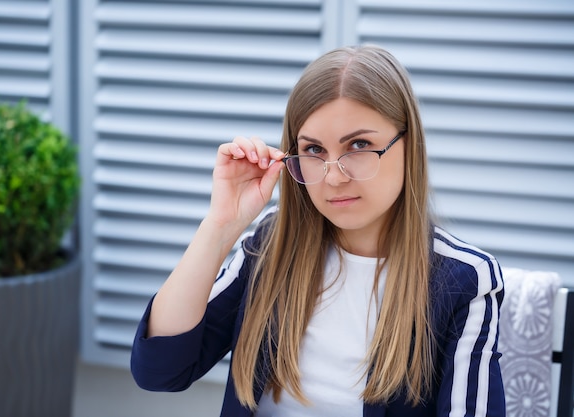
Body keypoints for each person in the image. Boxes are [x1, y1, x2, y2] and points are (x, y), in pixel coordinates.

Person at [130, 44, 505, 417]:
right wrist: (219, 227)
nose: (334, 177)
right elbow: (160, 371)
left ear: (409, 146)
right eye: (313, 150)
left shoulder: (464, 279)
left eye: (359, 145)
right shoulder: (271, 243)